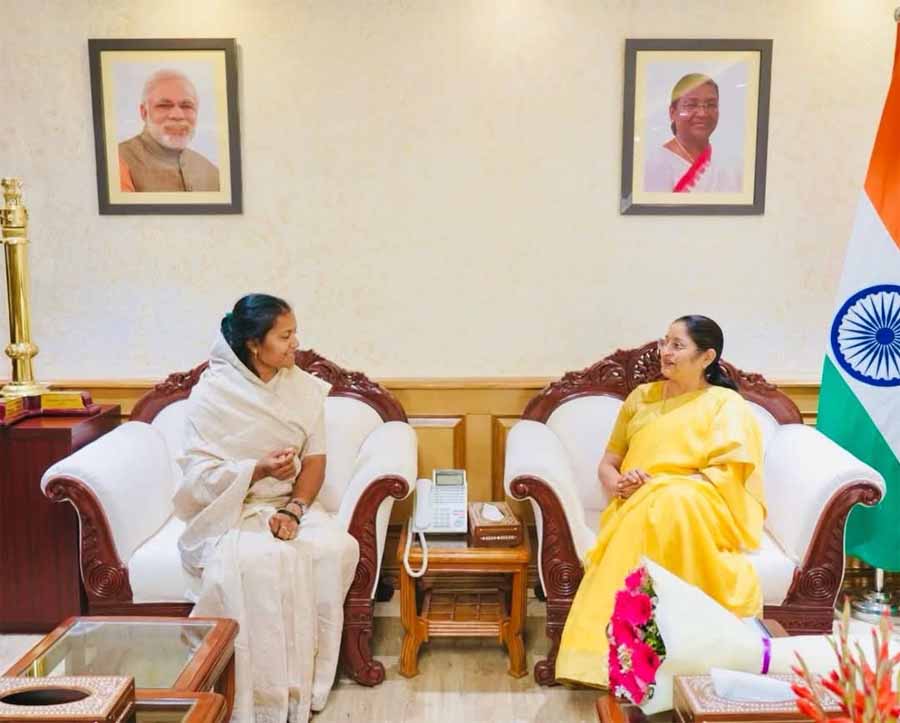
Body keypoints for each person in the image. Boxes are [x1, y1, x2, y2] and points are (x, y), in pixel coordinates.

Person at [174, 293, 359, 722]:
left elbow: (315, 461)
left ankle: (304, 688)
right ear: (255, 344)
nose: (297, 344)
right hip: (232, 508)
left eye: (295, 333)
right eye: (285, 336)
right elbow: (197, 478)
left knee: (336, 549)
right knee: (255, 565)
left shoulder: (303, 388)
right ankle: (254, 698)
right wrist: (255, 470)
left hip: (291, 504)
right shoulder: (212, 395)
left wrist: (294, 510)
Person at [554, 315, 765, 688]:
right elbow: (608, 464)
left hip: (701, 501)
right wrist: (622, 484)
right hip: (637, 500)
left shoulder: (725, 405)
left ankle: (675, 653)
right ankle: (612, 658)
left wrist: (663, 484)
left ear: (706, 357)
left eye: (677, 345)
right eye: (664, 342)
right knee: (659, 502)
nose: (665, 352)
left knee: (670, 500)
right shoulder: (641, 398)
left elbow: (727, 476)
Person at [118, 69, 220, 192]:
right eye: (164, 106)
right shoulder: (118, 161)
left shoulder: (212, 172)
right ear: (144, 113)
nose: (177, 115)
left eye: (186, 106)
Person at [643, 73, 742, 193]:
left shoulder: (733, 165)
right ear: (672, 112)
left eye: (711, 105)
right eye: (691, 105)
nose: (702, 113)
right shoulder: (653, 165)